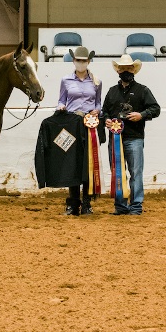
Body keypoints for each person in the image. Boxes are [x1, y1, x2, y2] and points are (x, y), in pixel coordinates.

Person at [102, 54, 160, 216]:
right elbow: (104, 111)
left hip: (134, 137)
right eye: (123, 68)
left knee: (135, 173)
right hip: (115, 139)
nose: (126, 71)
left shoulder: (143, 90)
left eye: (129, 68)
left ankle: (135, 206)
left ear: (133, 70)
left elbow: (156, 109)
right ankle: (120, 206)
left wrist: (141, 115)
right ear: (118, 71)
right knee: (117, 172)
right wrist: (106, 120)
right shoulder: (112, 91)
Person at [56, 46, 102, 216]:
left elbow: (98, 103)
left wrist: (98, 111)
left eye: (83, 60)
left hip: (89, 123)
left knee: (89, 163)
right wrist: (61, 106)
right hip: (71, 122)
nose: (81, 63)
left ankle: (87, 203)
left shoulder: (96, 81)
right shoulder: (65, 80)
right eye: (78, 60)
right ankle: (73, 202)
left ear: (88, 61)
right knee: (72, 163)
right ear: (74, 61)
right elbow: (61, 100)